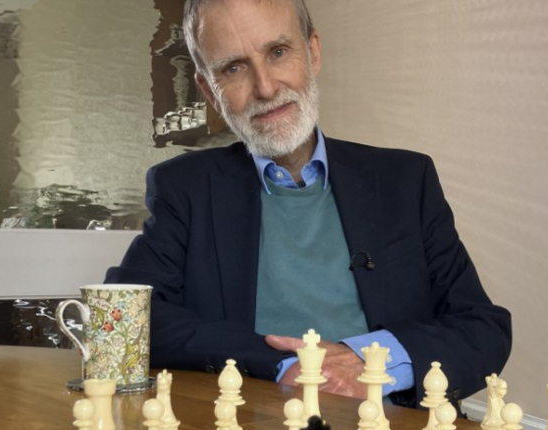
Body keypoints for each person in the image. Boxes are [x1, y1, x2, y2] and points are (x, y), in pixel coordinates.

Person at [105, 0, 510, 407]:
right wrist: (280, 363)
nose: (265, 87)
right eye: (233, 68)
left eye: (278, 52)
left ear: (313, 53)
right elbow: (129, 319)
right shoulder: (185, 188)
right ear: (210, 91)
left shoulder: (405, 180)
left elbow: (483, 329)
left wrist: (371, 361)